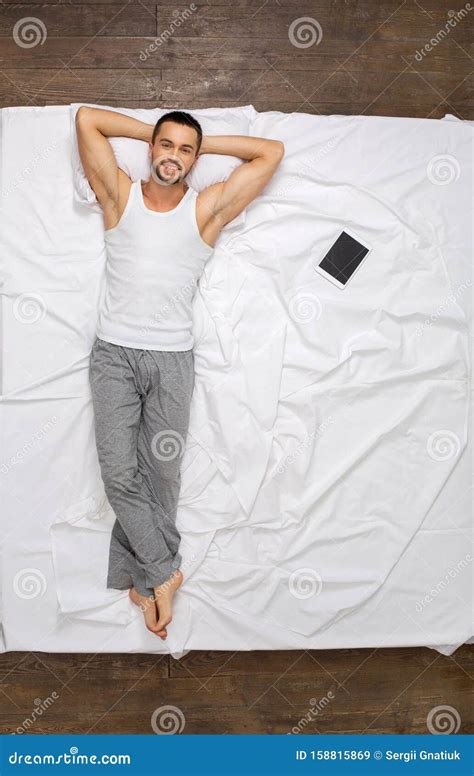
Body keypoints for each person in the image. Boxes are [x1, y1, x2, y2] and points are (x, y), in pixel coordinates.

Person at [76, 107, 284, 640]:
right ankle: (166, 572)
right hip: (115, 357)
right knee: (121, 475)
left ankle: (146, 581)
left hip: (172, 361)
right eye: (165, 147)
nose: (173, 156)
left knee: (162, 476)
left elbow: (270, 154)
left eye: (184, 150)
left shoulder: (207, 209)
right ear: (150, 150)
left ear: (195, 159)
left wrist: (198, 143)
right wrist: (160, 135)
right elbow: (87, 120)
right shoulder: (119, 196)